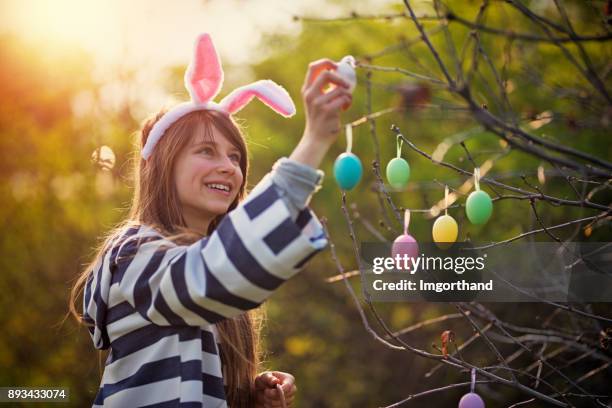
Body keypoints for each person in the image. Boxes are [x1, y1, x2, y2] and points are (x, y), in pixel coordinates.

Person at [69, 33, 353, 408]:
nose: (227, 166)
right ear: (163, 167)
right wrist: (315, 140)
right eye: (206, 150)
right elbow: (205, 278)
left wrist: (244, 395)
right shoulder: (132, 254)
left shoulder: (203, 265)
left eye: (235, 157)